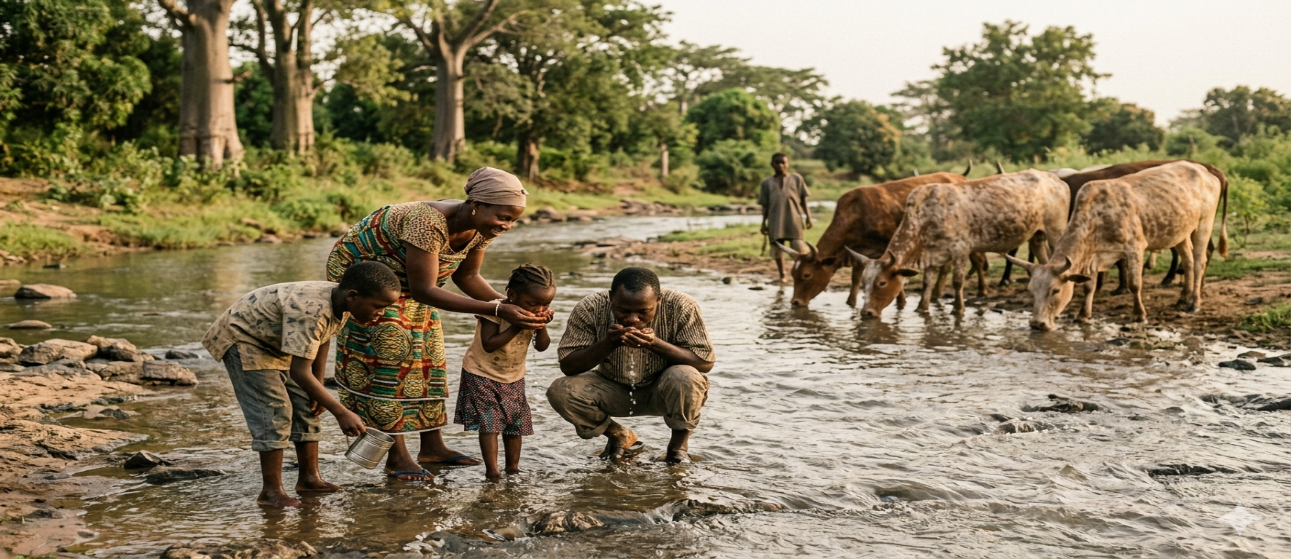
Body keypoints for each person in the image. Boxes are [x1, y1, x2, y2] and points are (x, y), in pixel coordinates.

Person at [326, 167, 548, 481]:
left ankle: (432, 447)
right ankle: (396, 455)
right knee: (391, 352)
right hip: (365, 281)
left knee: (430, 355)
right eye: (503, 217)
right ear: (476, 204)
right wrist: (498, 309)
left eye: (513, 220)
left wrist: (510, 306)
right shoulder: (427, 221)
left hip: (411, 280)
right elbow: (424, 290)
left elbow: (467, 277)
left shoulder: (478, 229)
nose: (507, 226)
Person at [202, 261, 401, 507]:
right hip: (246, 338)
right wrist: (340, 411)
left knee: (308, 404)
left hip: (277, 339)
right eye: (379, 307)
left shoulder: (342, 302)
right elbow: (299, 370)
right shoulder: (312, 310)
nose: (381, 313)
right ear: (353, 296)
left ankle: (309, 479)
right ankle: (271, 492)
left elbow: (322, 339)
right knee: (274, 411)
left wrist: (317, 387)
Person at [548, 267, 714, 465]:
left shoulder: (682, 305)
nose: (632, 319)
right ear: (611, 298)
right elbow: (568, 366)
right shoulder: (590, 307)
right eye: (623, 311)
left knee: (687, 376)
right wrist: (608, 343)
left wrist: (655, 344)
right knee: (561, 390)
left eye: (644, 312)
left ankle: (677, 449)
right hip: (612, 388)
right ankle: (619, 435)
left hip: (663, 389)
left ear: (658, 301)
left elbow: (705, 363)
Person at [454, 264, 556, 481]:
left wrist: (542, 326)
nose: (539, 309)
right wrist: (517, 325)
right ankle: (492, 471)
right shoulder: (495, 310)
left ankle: (513, 468)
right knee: (489, 424)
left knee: (514, 424)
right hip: (481, 373)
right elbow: (489, 344)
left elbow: (542, 347)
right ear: (512, 295)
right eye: (533, 303)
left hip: (513, 377)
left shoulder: (533, 314)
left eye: (546, 304)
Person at [759, 152, 813, 283]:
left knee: (801, 249)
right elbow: (765, 205)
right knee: (777, 249)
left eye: (783, 162)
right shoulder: (766, 183)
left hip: (793, 218)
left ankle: (802, 272)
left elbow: (803, 200)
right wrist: (763, 223)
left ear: (788, 163)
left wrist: (808, 217)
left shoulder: (796, 178)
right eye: (777, 162)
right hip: (775, 219)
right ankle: (782, 274)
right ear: (772, 164)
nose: (781, 165)